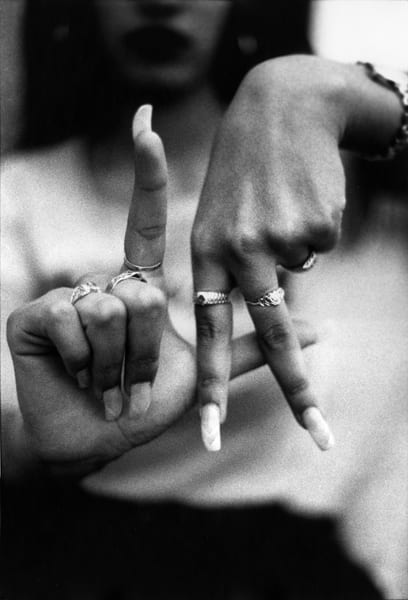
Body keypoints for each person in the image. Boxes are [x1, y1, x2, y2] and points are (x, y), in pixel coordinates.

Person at [2, 1, 407, 598]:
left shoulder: (326, 176)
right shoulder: (20, 194)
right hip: (73, 562)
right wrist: (40, 444)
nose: (161, 0)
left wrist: (319, 89)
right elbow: (15, 443)